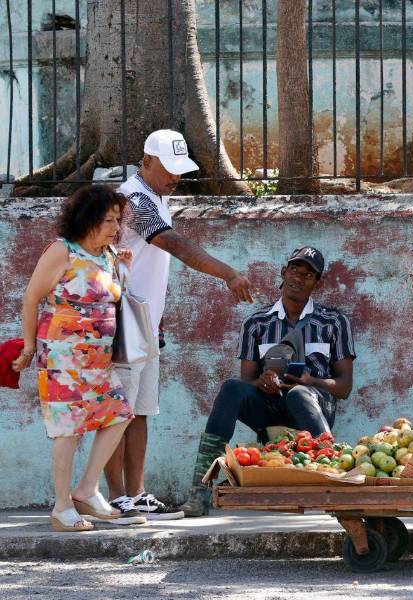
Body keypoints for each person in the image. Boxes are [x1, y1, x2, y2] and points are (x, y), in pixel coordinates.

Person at [104, 129, 255, 523]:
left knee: (139, 411)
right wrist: (228, 274)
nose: (175, 178)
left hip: (144, 323)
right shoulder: (135, 198)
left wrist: (157, 317)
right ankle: (117, 496)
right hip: (121, 321)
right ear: (147, 161)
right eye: (168, 169)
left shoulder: (154, 194)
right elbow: (175, 245)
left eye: (180, 170)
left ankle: (135, 495)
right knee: (117, 413)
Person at [178, 246, 356, 517]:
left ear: (316, 283)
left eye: (308, 274)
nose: (299, 277)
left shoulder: (333, 322)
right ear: (284, 272)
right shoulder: (256, 323)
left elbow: (344, 388)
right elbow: (246, 382)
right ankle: (199, 491)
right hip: (271, 407)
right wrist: (261, 382)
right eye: (295, 269)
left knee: (298, 393)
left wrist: (311, 381)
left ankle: (332, 482)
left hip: (313, 406)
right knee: (230, 389)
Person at [13, 185, 146, 531]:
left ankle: (86, 490)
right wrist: (28, 346)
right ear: (86, 220)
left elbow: (111, 297)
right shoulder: (63, 252)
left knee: (118, 415)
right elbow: (31, 299)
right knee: (67, 430)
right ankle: (61, 507)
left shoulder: (108, 255)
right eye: (108, 221)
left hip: (98, 361)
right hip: (63, 359)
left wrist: (123, 269)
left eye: (118, 220)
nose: (116, 228)